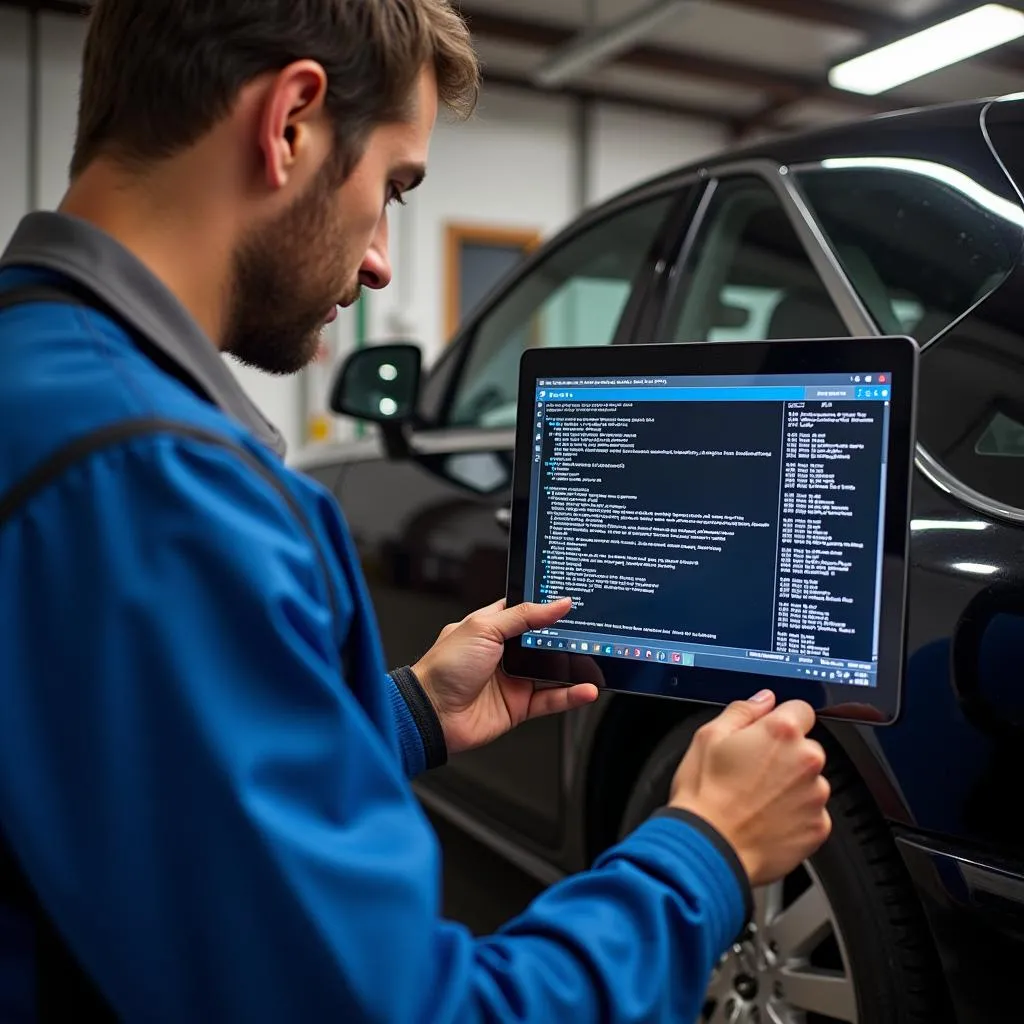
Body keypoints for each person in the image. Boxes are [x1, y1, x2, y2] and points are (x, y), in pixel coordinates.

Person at [0, 1, 832, 1020]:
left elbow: (118, 785)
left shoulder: (37, 383)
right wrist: (703, 847)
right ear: (292, 121)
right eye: (393, 187)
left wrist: (408, 712)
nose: (381, 259)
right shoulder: (165, 491)